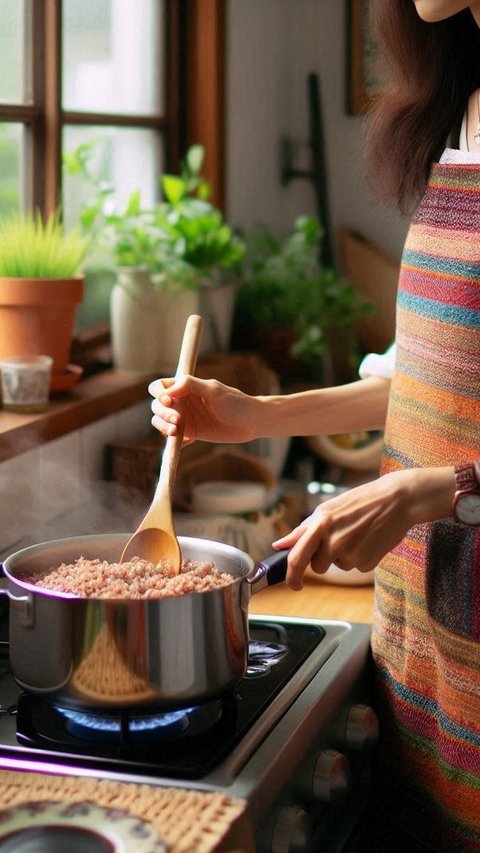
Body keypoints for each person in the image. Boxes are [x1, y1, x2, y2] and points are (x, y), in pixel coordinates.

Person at [149, 2, 480, 848]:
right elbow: (425, 379)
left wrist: (436, 490)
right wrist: (255, 414)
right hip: (427, 650)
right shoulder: (463, 110)